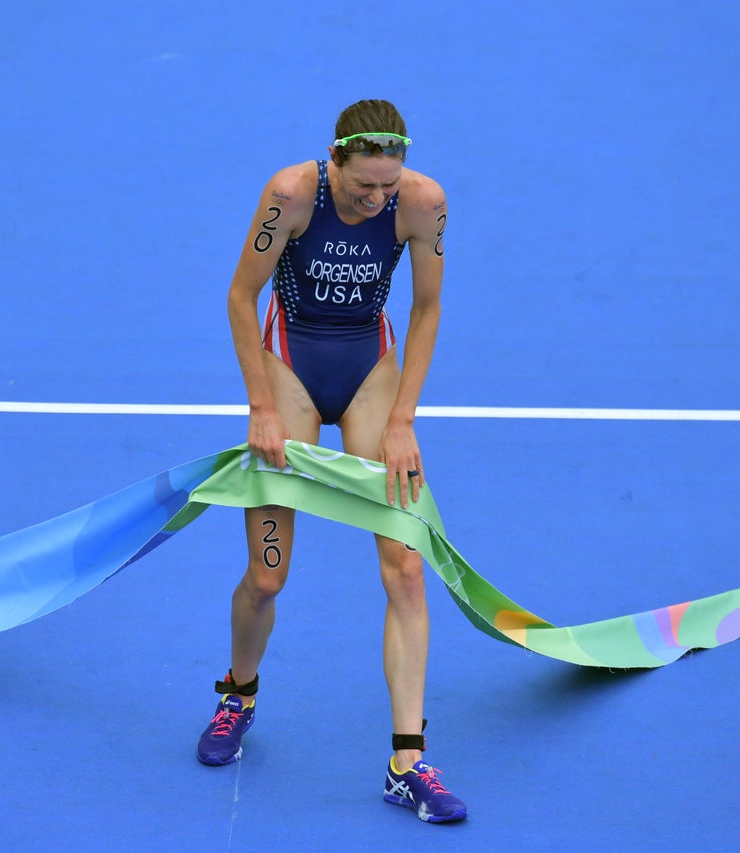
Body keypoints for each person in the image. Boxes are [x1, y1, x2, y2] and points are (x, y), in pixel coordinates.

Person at [196, 99, 466, 823]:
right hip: (289, 369)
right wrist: (260, 406)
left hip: (371, 373)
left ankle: (408, 761)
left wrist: (404, 419)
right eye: (362, 187)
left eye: (388, 186)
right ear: (334, 160)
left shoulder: (422, 202)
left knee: (406, 566)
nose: (377, 199)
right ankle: (238, 693)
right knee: (266, 576)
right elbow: (241, 296)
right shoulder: (290, 194)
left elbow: (427, 309)